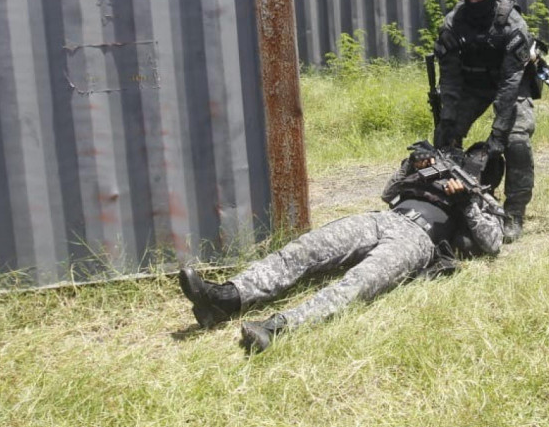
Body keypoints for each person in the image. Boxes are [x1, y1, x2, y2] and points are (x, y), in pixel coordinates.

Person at [177, 141, 505, 353]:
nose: (473, 162)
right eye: (472, 156)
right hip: (384, 219)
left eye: (481, 162)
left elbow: (493, 244)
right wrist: (410, 165)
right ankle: (225, 298)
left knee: (358, 284)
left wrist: (468, 204)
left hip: (417, 240)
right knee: (305, 249)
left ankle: (276, 328)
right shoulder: (435, 175)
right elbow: (388, 193)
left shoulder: (484, 201)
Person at [432, 0, 537, 243]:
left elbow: (510, 85)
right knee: (445, 136)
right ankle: (442, 201)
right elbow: (450, 79)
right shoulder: (454, 23)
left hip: (511, 85)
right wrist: (449, 121)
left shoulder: (513, 25)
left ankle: (514, 214)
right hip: (472, 85)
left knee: (516, 143)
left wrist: (498, 134)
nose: (474, 1)